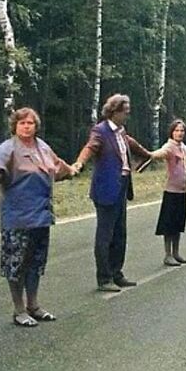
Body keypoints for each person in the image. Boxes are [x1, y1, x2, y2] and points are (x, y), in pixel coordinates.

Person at [0, 107, 74, 326]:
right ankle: (19, 310)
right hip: (18, 217)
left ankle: (34, 305)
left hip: (41, 215)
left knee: (35, 263)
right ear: (15, 126)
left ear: (36, 126)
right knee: (16, 264)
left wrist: (72, 170)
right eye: (22, 123)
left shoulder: (43, 147)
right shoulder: (8, 148)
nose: (27, 126)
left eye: (30, 123)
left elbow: (57, 167)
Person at [72, 94, 151, 292]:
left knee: (120, 233)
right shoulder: (101, 131)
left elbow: (135, 146)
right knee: (105, 235)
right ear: (114, 112)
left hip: (122, 186)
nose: (127, 115)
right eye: (125, 112)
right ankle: (104, 278)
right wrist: (80, 163)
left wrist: (150, 155)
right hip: (106, 189)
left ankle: (117, 273)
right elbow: (90, 147)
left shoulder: (121, 132)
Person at [148, 119, 186, 266]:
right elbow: (160, 153)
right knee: (169, 225)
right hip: (171, 192)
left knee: (178, 224)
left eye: (182, 131)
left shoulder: (182, 147)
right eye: (176, 131)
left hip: (182, 191)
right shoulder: (169, 147)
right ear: (171, 132)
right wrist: (149, 154)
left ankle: (176, 253)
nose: (179, 133)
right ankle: (168, 254)